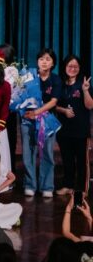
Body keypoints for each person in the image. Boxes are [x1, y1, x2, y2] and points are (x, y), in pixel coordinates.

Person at [21, 48, 63, 198]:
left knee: (47, 153)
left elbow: (53, 102)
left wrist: (37, 113)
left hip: (47, 120)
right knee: (28, 153)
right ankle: (30, 184)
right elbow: (20, 95)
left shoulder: (56, 79)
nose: (44, 62)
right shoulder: (29, 76)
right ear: (37, 61)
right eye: (41, 59)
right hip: (28, 119)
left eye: (48, 59)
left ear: (53, 63)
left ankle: (47, 186)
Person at [55, 56, 93, 197]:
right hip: (63, 130)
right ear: (65, 67)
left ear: (79, 68)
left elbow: (90, 106)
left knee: (82, 161)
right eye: (70, 66)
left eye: (75, 66)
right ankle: (68, 185)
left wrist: (85, 91)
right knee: (67, 160)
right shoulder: (60, 84)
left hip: (80, 131)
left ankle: (82, 189)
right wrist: (63, 110)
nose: (72, 69)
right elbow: (53, 105)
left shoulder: (83, 84)